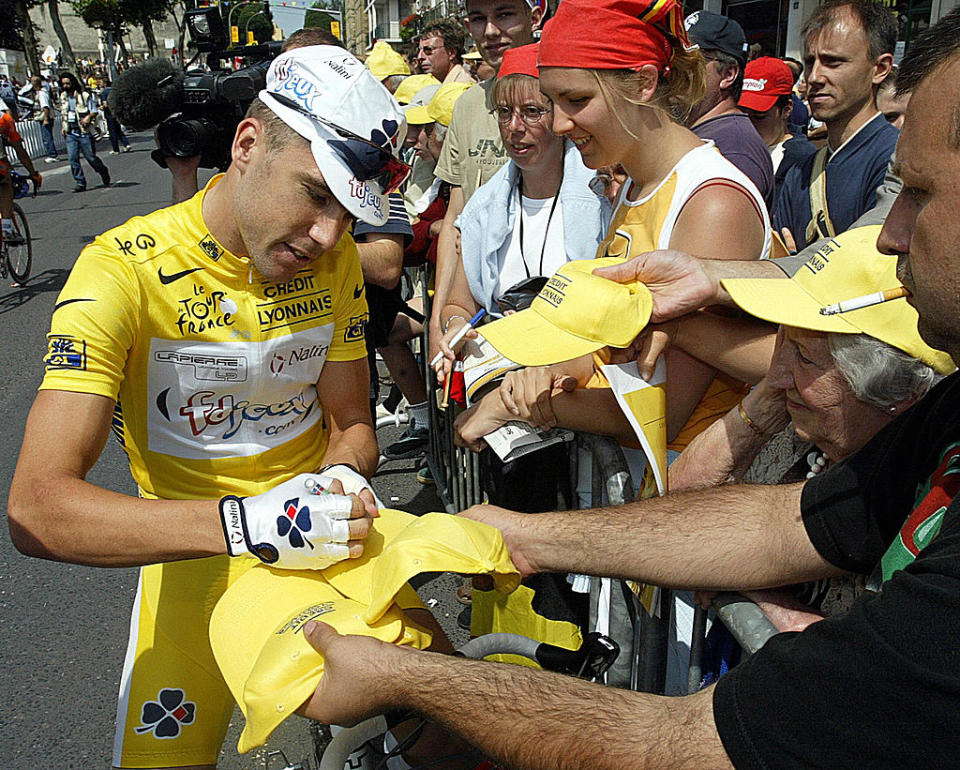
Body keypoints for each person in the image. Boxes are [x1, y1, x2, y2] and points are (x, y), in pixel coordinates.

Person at [295, 12, 960, 767]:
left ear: (643, 83)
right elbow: (785, 525)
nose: (888, 232)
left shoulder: (707, 194)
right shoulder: (945, 419)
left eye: (920, 193)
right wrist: (522, 533)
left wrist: (404, 678)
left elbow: (675, 743)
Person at [8, 45, 410, 769]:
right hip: (191, 567)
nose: (329, 237)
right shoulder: (122, 268)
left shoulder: (333, 260)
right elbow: (36, 508)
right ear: (248, 146)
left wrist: (339, 479)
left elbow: (353, 425)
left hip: (314, 547)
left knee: (447, 723)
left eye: (349, 214)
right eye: (317, 196)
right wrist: (250, 524)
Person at [453, 0, 771, 459]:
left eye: (577, 100)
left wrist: (516, 405)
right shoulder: (633, 186)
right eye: (555, 101)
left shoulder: (711, 203)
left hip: (683, 492)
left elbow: (663, 407)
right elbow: (616, 344)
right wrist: (550, 374)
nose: (561, 124)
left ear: (643, 82)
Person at [428, 0, 543, 361]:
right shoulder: (468, 105)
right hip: (479, 319)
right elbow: (455, 218)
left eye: (504, 14)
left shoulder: (568, 94)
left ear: (535, 16)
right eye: (478, 19)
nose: (490, 31)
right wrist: (440, 316)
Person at [377, 82, 472, 462]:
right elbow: (417, 240)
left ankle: (449, 451)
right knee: (386, 329)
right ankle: (425, 425)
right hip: (438, 296)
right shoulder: (442, 182)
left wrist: (434, 232)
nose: (415, 140)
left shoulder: (459, 183)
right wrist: (431, 230)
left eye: (425, 130)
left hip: (460, 303)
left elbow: (418, 242)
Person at [772, 0, 898, 251]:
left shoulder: (899, 160)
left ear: (880, 68)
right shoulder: (799, 172)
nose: (815, 77)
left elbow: (869, 265)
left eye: (833, 62)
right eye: (810, 62)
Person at [684, 11, 775, 211]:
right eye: (672, 58)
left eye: (689, 61)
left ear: (728, 74)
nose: (674, 70)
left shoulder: (735, 150)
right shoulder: (706, 133)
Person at [738, 57, 817, 192]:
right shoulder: (731, 147)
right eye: (742, 115)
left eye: (759, 117)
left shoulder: (803, 162)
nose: (749, 125)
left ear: (787, 109)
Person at [0, 105, 42, 259]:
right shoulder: (5, 119)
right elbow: (21, 152)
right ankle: (6, 228)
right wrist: (33, 173)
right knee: (5, 183)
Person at [58, 71, 111, 193]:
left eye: (67, 83)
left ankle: (103, 171)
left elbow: (94, 111)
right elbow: (64, 113)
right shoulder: (63, 97)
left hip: (84, 132)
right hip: (71, 132)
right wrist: (63, 126)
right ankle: (80, 182)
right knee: (72, 158)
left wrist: (88, 117)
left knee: (91, 157)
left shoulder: (84, 95)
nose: (66, 86)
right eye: (63, 84)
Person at [416, 19, 476, 84]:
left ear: (451, 53)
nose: (420, 56)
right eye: (419, 50)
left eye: (428, 50)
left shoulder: (463, 86)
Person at [27, 75, 59, 162]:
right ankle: (51, 153)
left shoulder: (42, 93)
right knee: (46, 136)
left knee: (47, 137)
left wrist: (46, 118)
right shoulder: (41, 92)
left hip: (45, 117)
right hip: (43, 117)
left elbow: (45, 107)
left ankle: (52, 154)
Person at [97, 76, 131, 154]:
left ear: (104, 83)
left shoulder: (104, 92)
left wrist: (101, 107)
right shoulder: (114, 90)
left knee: (112, 132)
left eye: (100, 82)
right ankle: (126, 144)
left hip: (109, 114)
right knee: (118, 130)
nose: (99, 84)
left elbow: (105, 104)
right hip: (116, 112)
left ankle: (116, 149)